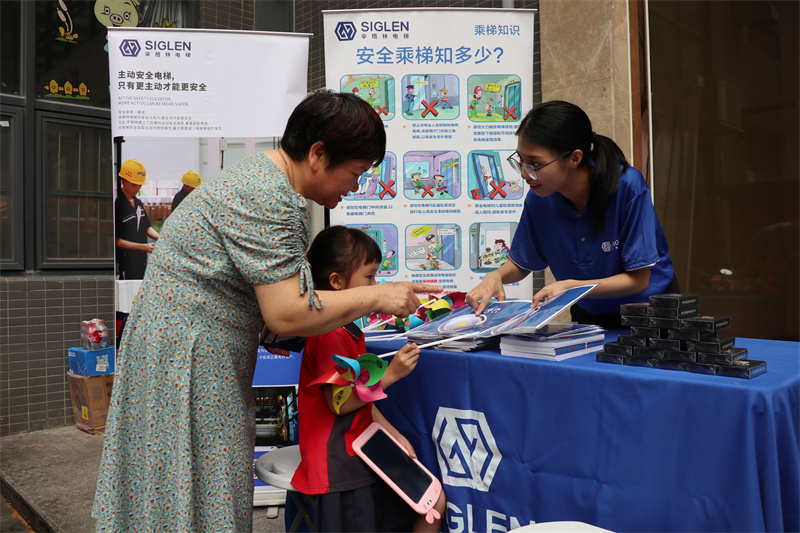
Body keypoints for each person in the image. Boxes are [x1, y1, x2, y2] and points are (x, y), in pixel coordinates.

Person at [93, 90, 442, 532]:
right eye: (354, 173)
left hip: (178, 352)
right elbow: (287, 313)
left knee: (176, 492)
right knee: (198, 492)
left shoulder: (260, 181)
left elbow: (259, 300)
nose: (354, 187)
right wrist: (379, 296)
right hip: (188, 363)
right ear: (318, 154)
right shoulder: (271, 196)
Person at [466, 100, 676, 328]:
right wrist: (496, 276)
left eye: (534, 164)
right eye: (521, 161)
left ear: (574, 159)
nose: (525, 175)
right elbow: (523, 262)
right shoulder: (540, 198)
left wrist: (570, 286)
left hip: (649, 313)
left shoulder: (627, 186)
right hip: (588, 311)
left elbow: (638, 280)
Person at [293, 225, 446, 532]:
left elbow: (364, 397)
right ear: (336, 281)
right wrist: (390, 375)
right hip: (339, 464)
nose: (377, 286)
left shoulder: (348, 328)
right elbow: (341, 403)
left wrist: (394, 435)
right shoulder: (330, 333)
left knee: (435, 502)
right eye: (370, 277)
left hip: (364, 448)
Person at [114, 159, 159, 280]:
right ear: (123, 182)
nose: (137, 188)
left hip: (141, 260)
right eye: (134, 184)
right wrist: (143, 246)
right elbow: (117, 241)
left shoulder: (138, 203)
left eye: (140, 185)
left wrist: (162, 238)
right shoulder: (118, 205)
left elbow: (147, 227)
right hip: (127, 262)